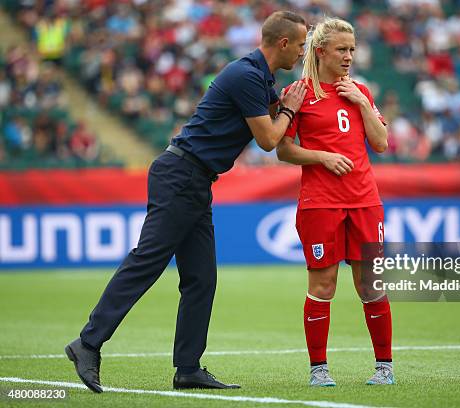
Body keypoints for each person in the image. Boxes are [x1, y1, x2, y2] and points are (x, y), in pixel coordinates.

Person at [65, 11, 308, 393]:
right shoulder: (246, 75)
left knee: (201, 279)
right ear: (282, 43)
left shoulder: (261, 78)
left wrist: (293, 106)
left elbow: (281, 128)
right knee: (147, 261)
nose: (301, 51)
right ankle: (88, 343)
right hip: (181, 175)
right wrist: (290, 108)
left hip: (194, 180)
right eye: (300, 44)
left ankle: (188, 368)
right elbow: (268, 139)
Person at [275, 17, 393, 387]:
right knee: (323, 285)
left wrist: (361, 103)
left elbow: (381, 143)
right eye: (342, 49)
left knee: (370, 285)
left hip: (364, 201)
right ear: (321, 50)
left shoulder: (360, 91)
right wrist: (322, 157)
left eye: (352, 50)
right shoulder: (299, 93)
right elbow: (283, 150)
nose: (348, 56)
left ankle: (384, 368)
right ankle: (318, 370)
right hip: (320, 203)